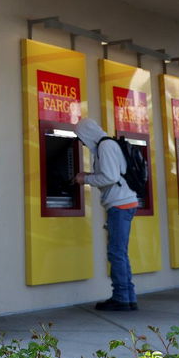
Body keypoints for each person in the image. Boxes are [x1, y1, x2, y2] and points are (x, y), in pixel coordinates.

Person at [73, 118, 139, 311]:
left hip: (120, 204)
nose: (82, 143)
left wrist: (85, 178)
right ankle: (128, 296)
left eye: (81, 138)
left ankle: (121, 298)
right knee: (120, 253)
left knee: (116, 253)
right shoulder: (108, 145)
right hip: (124, 202)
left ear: (87, 134)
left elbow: (110, 177)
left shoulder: (105, 146)